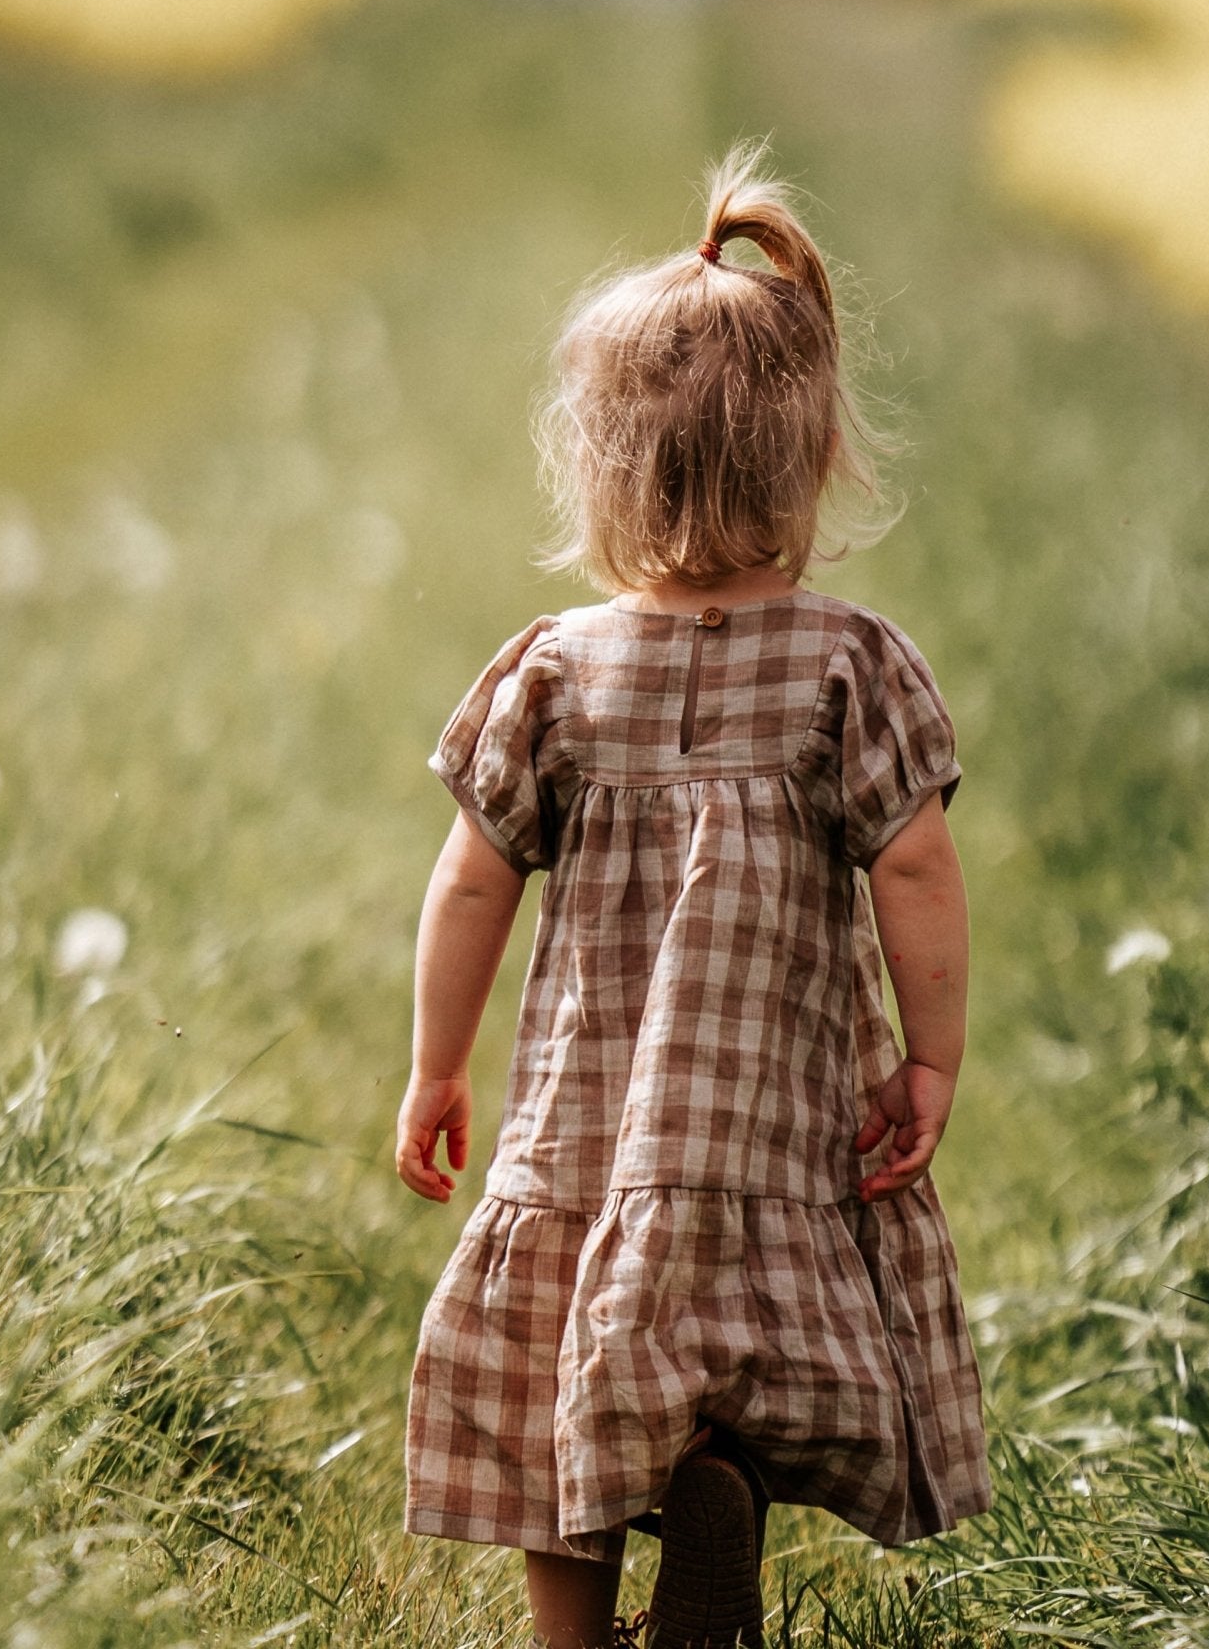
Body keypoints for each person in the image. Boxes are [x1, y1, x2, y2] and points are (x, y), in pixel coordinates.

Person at [397, 146, 990, 1649]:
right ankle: (718, 1472)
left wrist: (436, 1065)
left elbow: (472, 875)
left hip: (589, 1112)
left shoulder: (556, 669)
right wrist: (929, 1059)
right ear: (812, 462)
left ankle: (574, 1640)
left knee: (560, 1386)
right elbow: (915, 863)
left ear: (603, 468)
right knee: (735, 1328)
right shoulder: (851, 663)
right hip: (770, 1110)